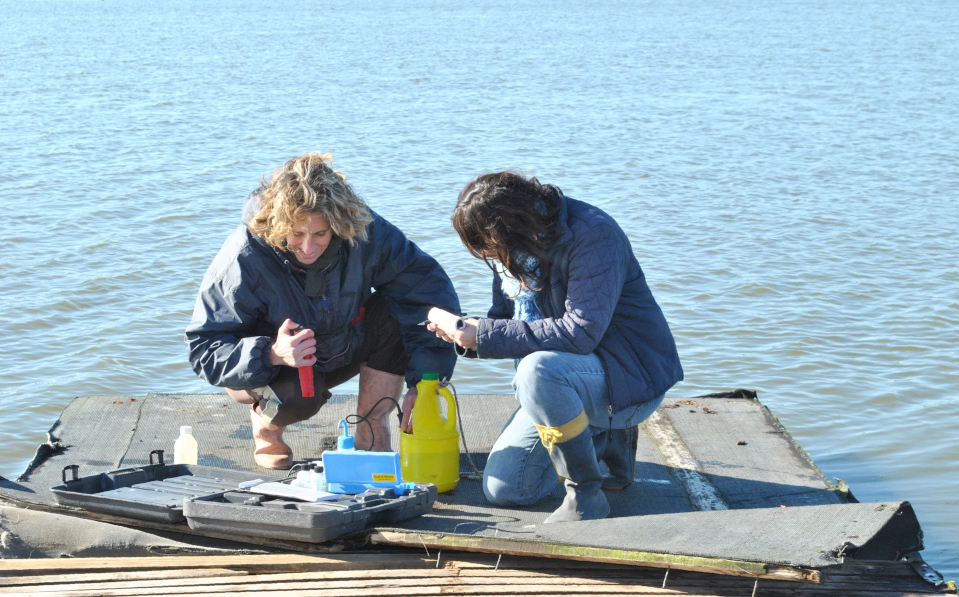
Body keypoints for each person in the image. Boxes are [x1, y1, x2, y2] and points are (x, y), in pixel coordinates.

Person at [424, 171, 682, 523]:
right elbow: (504, 319)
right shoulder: (514, 252)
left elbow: (580, 333)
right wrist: (465, 334)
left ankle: (586, 494)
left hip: (627, 380)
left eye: (486, 245)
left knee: (537, 369)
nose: (486, 254)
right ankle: (602, 439)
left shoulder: (594, 236)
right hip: (567, 379)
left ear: (511, 227)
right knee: (507, 490)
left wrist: (484, 335)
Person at [185, 152, 459, 468]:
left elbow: (427, 292)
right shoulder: (243, 256)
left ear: (339, 225)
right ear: (278, 224)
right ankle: (267, 428)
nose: (308, 248)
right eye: (297, 234)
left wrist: (425, 382)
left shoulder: (363, 230)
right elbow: (203, 349)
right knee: (300, 396)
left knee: (399, 310)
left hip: (342, 344)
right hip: (274, 366)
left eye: (320, 234)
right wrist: (270, 354)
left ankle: (371, 431)